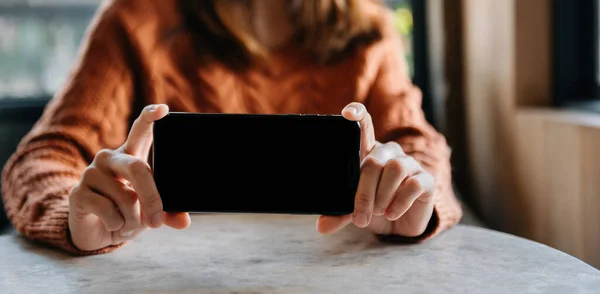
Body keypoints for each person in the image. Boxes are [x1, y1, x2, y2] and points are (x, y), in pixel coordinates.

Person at [1, 0, 462, 255]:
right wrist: (76, 216)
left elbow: (416, 144)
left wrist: (414, 200)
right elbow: (43, 156)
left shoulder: (371, 33)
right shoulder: (133, 20)